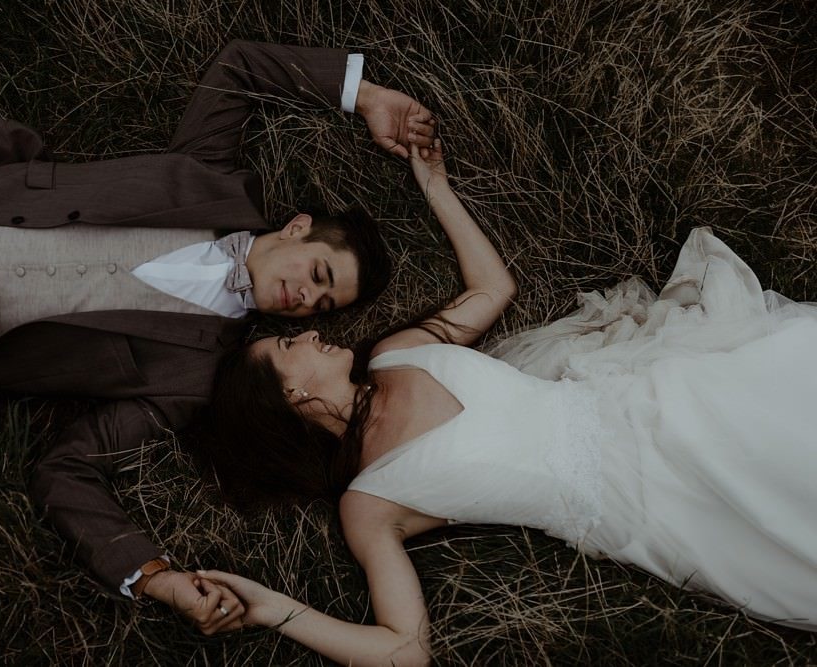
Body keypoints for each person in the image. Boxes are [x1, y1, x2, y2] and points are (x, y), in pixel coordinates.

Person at [0, 41, 436, 632]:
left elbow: (68, 470)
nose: (305, 299)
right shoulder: (211, 176)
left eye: (321, 305)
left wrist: (155, 578)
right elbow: (241, 65)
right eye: (318, 274)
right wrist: (367, 96)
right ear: (297, 228)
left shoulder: (190, 376)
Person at [201, 139, 817, 663]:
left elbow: (492, 287)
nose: (310, 331)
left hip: (635, 396)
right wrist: (271, 609)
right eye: (290, 343)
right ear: (291, 395)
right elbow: (404, 649)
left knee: (767, 396)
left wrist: (435, 184)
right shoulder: (369, 505)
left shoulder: (395, 353)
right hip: (638, 502)